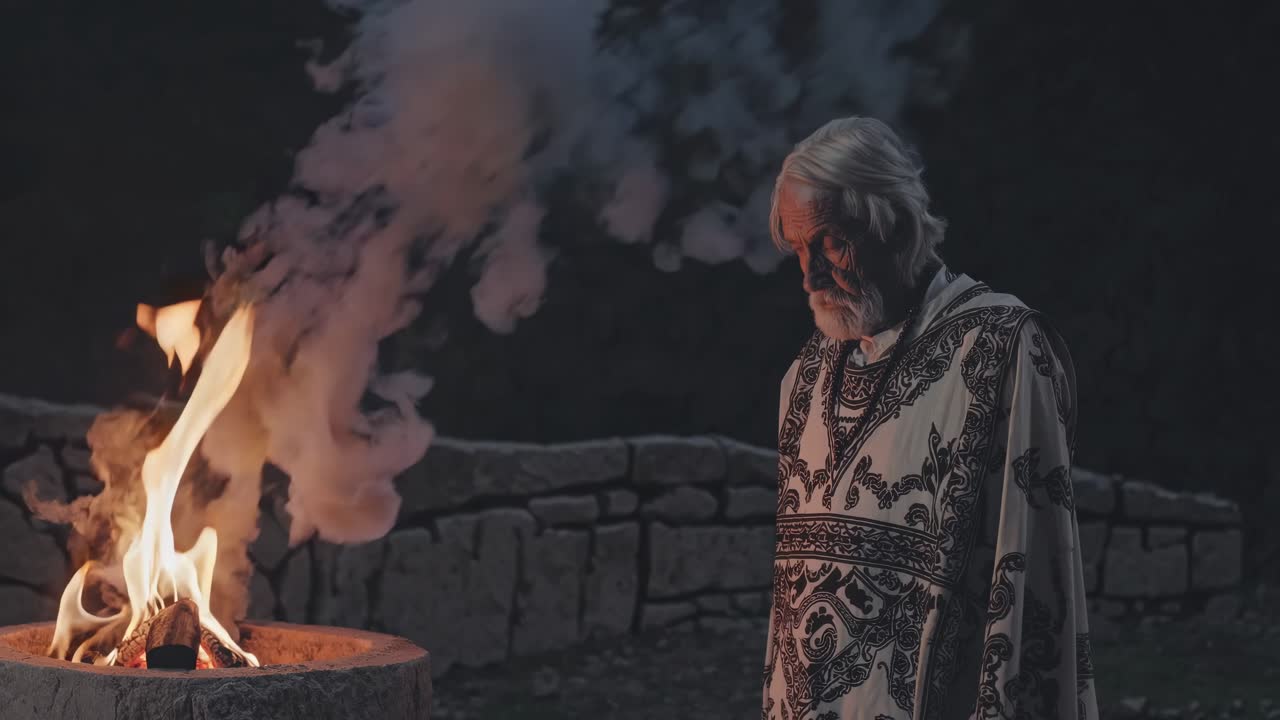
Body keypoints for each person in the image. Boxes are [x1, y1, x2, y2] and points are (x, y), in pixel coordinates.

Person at [762, 116, 1099, 720]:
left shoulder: (1003, 350)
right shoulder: (805, 377)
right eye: (797, 249)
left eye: (831, 241)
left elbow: (1031, 591)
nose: (809, 276)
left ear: (894, 222)